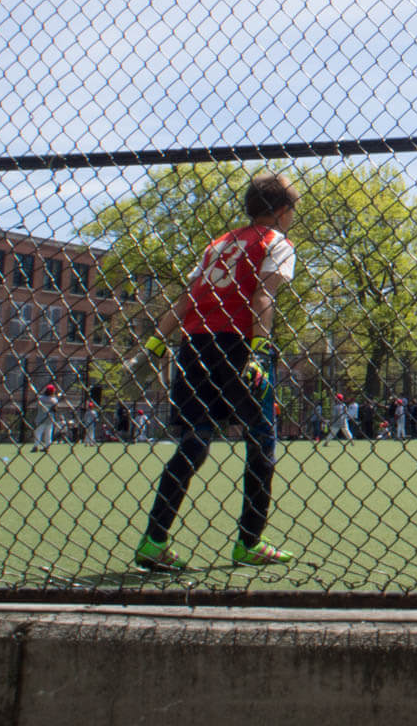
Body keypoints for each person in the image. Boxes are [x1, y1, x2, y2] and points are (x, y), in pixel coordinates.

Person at [130, 171, 301, 572]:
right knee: (261, 441)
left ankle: (154, 539)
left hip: (194, 346)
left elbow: (188, 297)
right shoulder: (275, 241)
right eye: (293, 211)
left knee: (195, 440)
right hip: (239, 345)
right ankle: (249, 541)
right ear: (280, 212)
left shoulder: (218, 245)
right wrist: (258, 350)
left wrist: (156, 344)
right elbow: (263, 292)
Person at [32, 383, 61, 451]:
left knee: (38, 432)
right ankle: (47, 447)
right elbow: (55, 410)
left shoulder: (40, 398)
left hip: (40, 418)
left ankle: (36, 446)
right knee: (48, 434)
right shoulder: (54, 400)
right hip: (50, 419)